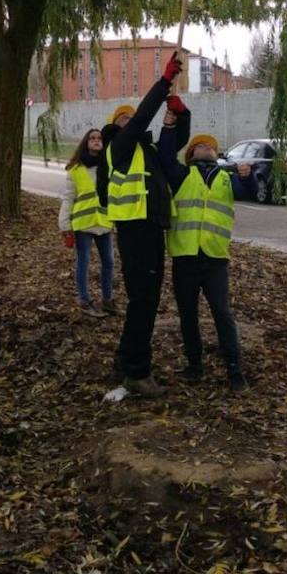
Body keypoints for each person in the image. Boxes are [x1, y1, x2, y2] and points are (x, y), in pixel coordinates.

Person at [156, 98, 258, 391]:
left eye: (210, 145)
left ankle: (235, 369)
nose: (206, 147)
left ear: (216, 154)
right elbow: (164, 156)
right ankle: (194, 365)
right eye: (199, 145)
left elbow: (248, 192)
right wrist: (168, 126)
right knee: (188, 314)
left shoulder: (227, 178)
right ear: (190, 154)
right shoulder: (181, 176)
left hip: (214, 258)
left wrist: (248, 178)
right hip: (185, 256)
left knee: (222, 313)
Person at [102, 49, 184, 397]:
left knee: (143, 299)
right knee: (143, 300)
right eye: (123, 119)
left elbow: (173, 147)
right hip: (135, 229)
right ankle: (136, 371)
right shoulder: (118, 147)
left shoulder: (144, 152)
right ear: (115, 127)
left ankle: (125, 359)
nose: (129, 121)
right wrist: (163, 82)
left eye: (128, 119)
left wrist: (179, 116)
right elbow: (141, 118)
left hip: (149, 227)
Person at [58, 128, 117, 318]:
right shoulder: (76, 169)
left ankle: (107, 300)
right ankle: (84, 300)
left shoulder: (109, 166)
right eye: (92, 138)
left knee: (108, 261)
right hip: (84, 223)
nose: (96, 141)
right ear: (86, 142)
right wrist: (64, 224)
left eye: (99, 138)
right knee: (83, 261)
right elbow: (68, 198)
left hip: (104, 222)